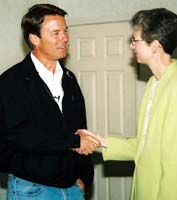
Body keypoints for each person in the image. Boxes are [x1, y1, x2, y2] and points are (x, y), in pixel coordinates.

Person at [76, 8, 177, 200]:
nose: (132, 46)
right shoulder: (154, 84)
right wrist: (100, 142)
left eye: (136, 40)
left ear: (155, 45)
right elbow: (144, 147)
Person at [0, 4, 100, 200]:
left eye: (65, 31)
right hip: (32, 190)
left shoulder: (69, 79)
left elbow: (80, 129)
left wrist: (85, 178)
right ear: (34, 39)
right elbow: (19, 136)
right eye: (56, 33)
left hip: (73, 189)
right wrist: (73, 141)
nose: (65, 38)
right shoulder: (11, 82)